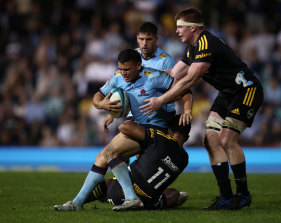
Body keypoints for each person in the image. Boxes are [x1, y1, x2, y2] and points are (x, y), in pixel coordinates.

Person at [140, 8, 264, 210]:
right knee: (210, 139)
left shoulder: (206, 44)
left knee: (226, 139)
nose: (177, 31)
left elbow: (190, 78)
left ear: (194, 28)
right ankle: (226, 196)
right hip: (227, 95)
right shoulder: (191, 49)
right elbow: (173, 74)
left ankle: (243, 195)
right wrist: (140, 78)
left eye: (181, 27)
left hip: (246, 91)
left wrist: (161, 100)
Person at [54, 49, 192, 211]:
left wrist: (187, 111)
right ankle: (78, 202)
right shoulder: (117, 78)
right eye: (120, 69)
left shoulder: (155, 77)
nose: (123, 73)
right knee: (104, 156)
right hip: (141, 127)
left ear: (139, 66)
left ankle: (130, 198)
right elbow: (96, 98)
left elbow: (184, 90)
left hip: (157, 131)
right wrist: (105, 106)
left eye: (127, 69)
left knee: (111, 154)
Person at [80, 114, 191, 210]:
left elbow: (124, 127)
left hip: (120, 193)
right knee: (174, 193)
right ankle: (158, 204)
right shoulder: (185, 159)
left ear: (169, 130)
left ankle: (79, 201)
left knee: (110, 159)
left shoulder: (160, 138)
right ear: (187, 137)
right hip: (148, 203)